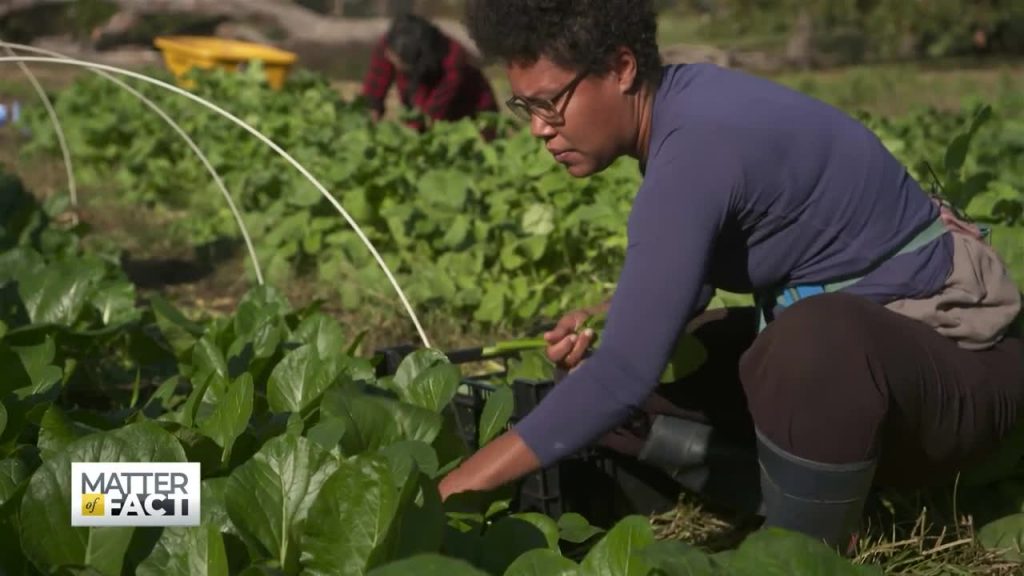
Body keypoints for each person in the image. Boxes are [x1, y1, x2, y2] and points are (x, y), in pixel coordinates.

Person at [438, 0, 1024, 554]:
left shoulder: (697, 148)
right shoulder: (684, 106)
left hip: (962, 369)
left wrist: (451, 490)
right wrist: (611, 317)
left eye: (550, 103)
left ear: (620, 67)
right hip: (883, 371)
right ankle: (818, 498)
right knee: (630, 378)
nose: (540, 129)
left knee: (810, 344)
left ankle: (806, 548)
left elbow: (622, 374)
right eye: (526, 108)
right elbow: (678, 295)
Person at [360, 13, 498, 131]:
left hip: (471, 114)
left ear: (414, 62)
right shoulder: (392, 43)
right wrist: (370, 117)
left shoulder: (452, 61)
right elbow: (374, 88)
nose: (390, 59)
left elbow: (431, 115)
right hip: (425, 109)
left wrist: (409, 133)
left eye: (397, 61)